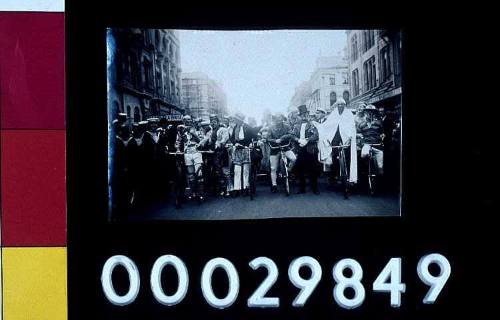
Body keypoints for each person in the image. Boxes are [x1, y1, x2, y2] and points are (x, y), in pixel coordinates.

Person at [317, 98, 358, 185]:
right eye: (338, 104)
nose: (340, 106)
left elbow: (351, 127)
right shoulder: (333, 114)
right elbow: (327, 125)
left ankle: (348, 175)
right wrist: (320, 128)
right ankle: (334, 176)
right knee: (334, 156)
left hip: (346, 138)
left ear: (344, 105)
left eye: (342, 104)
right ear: (336, 106)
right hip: (335, 138)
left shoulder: (349, 114)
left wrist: (350, 137)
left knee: (347, 156)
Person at [175, 115, 205, 201]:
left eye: (189, 120)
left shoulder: (198, 129)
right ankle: (193, 193)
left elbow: (202, 142)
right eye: (185, 120)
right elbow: (178, 142)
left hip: (197, 152)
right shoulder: (181, 130)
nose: (187, 121)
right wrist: (177, 149)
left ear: (191, 120)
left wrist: (193, 133)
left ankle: (201, 193)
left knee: (199, 174)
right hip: (187, 153)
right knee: (191, 175)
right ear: (183, 121)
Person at [291, 105, 320, 194]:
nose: (304, 116)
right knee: (300, 170)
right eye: (302, 114)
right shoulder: (296, 126)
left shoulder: (312, 124)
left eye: (305, 114)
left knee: (313, 169)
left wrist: (307, 140)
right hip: (300, 149)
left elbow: (316, 135)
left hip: (310, 148)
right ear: (300, 116)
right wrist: (298, 140)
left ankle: (314, 188)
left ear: (308, 114)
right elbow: (292, 135)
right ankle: (302, 188)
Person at [268, 113, 296, 193]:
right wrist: (275, 141)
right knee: (273, 168)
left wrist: (282, 138)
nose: (278, 121)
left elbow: (291, 134)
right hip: (274, 149)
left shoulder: (287, 126)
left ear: (282, 120)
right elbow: (268, 138)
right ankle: (274, 185)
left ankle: (289, 169)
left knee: (294, 158)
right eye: (276, 119)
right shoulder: (271, 128)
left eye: (280, 120)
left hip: (285, 147)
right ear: (274, 120)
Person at [230, 112, 256, 196]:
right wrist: (235, 143)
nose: (236, 121)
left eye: (237, 119)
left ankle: (245, 187)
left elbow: (255, 136)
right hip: (238, 150)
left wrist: (252, 144)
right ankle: (236, 189)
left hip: (246, 150)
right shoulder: (235, 128)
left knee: (246, 170)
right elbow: (232, 138)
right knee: (237, 170)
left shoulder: (248, 127)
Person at [358, 105, 384, 176]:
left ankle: (379, 181)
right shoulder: (361, 124)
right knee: (364, 155)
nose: (370, 113)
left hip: (377, 146)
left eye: (371, 112)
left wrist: (382, 137)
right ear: (365, 113)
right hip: (367, 145)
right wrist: (359, 136)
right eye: (368, 112)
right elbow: (358, 133)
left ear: (374, 113)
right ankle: (365, 169)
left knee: (380, 168)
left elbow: (382, 133)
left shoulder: (379, 123)